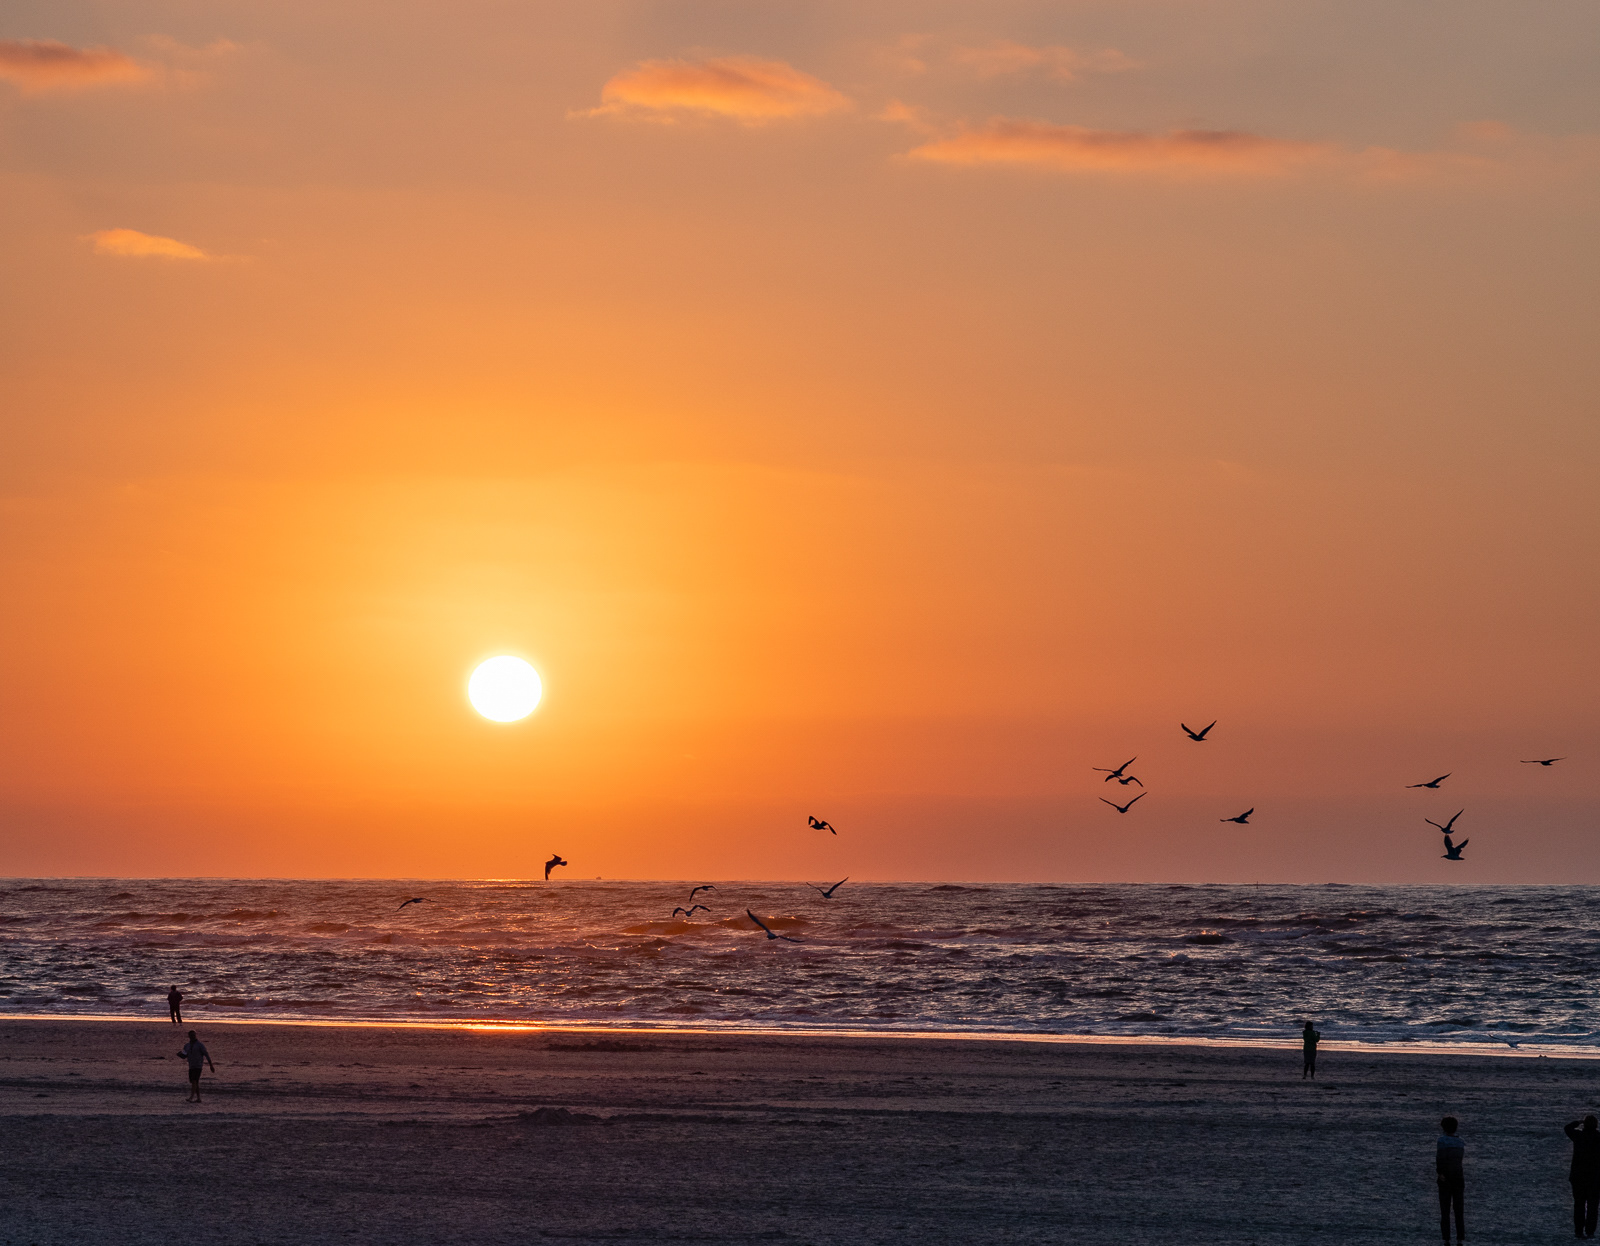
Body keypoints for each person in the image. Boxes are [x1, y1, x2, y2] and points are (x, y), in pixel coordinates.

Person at [1565, 1115, 1600, 1238]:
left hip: (1578, 1177)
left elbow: (1567, 1128)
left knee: (1579, 1205)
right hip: (1595, 1178)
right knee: (1593, 1207)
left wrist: (1578, 1122)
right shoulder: (1598, 1138)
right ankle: (1590, 1232)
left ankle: (1579, 1231)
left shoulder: (1579, 1136)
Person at [1437, 1116, 1465, 1245]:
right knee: (1459, 1210)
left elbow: (1440, 1159)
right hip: (1458, 1177)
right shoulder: (1461, 1142)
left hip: (1445, 1178)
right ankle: (1460, 1239)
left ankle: (1446, 1239)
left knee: (1445, 1210)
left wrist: (1440, 1173)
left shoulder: (1442, 1141)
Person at [178, 1030, 215, 1103]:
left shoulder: (200, 1045)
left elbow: (206, 1054)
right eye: (191, 1035)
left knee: (194, 1080)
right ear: (189, 1036)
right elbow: (184, 1056)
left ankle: (191, 1097)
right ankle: (198, 1098)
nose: (193, 1037)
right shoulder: (187, 1046)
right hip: (191, 1065)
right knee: (194, 1082)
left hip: (198, 1065)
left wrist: (211, 1065)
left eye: (194, 1035)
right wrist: (179, 1055)